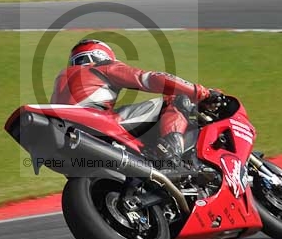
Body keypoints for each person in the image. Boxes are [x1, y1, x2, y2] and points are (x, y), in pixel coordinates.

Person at [51, 38, 219, 166]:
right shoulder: (102, 66)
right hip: (95, 123)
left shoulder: (61, 76)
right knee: (177, 99)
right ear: (101, 55)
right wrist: (201, 93)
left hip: (63, 137)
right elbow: (152, 79)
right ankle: (171, 154)